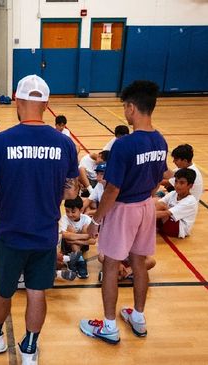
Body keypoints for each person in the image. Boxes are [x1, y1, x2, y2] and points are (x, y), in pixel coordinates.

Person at [0, 74, 79, 364]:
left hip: (10, 233)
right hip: (45, 234)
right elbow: (71, 192)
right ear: (46, 104)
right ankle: (30, 348)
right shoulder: (65, 144)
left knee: (3, 290)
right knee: (36, 292)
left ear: (16, 101)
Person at [79, 80, 168, 344]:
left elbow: (112, 190)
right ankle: (138, 318)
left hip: (124, 210)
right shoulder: (160, 139)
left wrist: (96, 220)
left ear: (131, 107)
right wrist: (146, 198)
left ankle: (108, 326)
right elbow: (158, 179)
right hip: (145, 207)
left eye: (125, 108)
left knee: (111, 263)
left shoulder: (125, 145)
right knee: (139, 263)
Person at [59, 196, 96, 279]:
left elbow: (93, 241)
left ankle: (75, 259)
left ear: (81, 210)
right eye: (67, 211)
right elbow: (64, 235)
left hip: (80, 245)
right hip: (67, 246)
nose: (70, 214)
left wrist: (74, 240)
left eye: (73, 211)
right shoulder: (65, 218)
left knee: (85, 228)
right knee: (70, 229)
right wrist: (85, 236)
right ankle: (81, 262)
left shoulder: (86, 219)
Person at [156, 168, 198, 238]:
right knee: (155, 200)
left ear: (190, 186)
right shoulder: (173, 193)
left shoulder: (190, 201)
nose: (177, 185)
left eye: (182, 183)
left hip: (179, 230)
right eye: (176, 181)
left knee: (162, 207)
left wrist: (147, 215)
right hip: (167, 222)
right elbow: (157, 203)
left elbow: (166, 213)